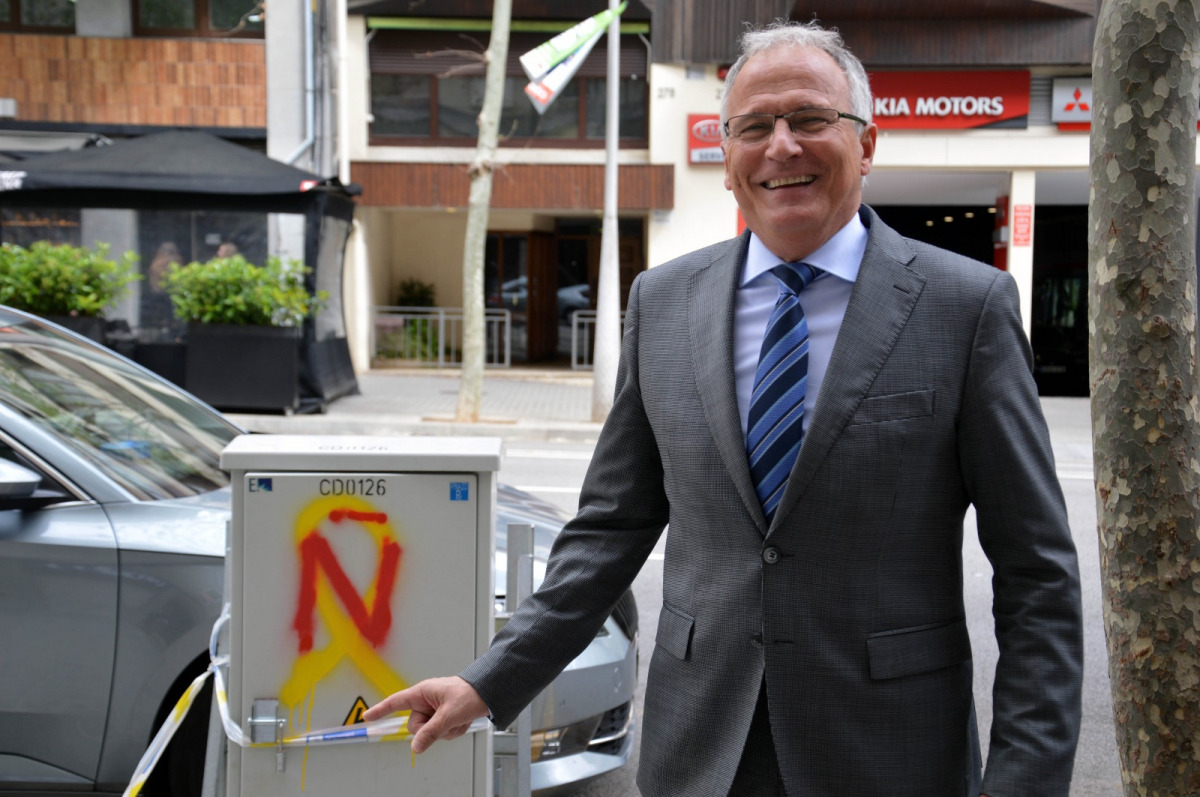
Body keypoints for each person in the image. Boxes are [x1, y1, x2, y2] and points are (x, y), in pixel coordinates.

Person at [364, 20, 1083, 797]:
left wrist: (1025, 781)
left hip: (891, 754)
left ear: (867, 144)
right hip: (702, 751)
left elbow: (1037, 574)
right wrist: (488, 681)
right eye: (754, 126)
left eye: (809, 118)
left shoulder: (965, 308)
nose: (782, 146)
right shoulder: (662, 302)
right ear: (727, 156)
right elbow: (609, 529)